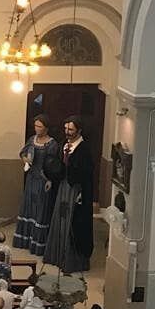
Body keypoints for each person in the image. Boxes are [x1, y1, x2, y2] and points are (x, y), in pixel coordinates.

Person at [43, 115, 95, 274]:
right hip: (62, 187)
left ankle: (71, 261)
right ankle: (56, 256)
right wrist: (52, 179)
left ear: (78, 130)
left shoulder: (84, 150)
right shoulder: (63, 145)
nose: (67, 132)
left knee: (72, 222)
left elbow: (86, 175)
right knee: (60, 217)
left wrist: (81, 193)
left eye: (70, 129)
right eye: (66, 128)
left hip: (76, 190)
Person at [13, 115, 63, 256]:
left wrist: (49, 180)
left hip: (43, 180)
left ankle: (38, 244)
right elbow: (23, 152)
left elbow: (53, 165)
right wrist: (25, 159)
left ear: (46, 128)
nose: (37, 129)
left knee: (40, 208)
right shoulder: (32, 139)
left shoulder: (52, 144)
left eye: (39, 126)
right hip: (31, 178)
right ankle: (24, 240)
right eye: (35, 126)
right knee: (28, 206)